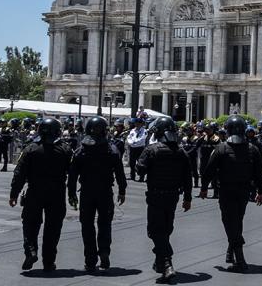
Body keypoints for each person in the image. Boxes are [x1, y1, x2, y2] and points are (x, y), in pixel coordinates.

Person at [200, 115, 262, 272]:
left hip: (227, 191)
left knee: (230, 222)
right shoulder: (252, 149)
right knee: (237, 220)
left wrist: (203, 188)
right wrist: (261, 191)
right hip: (243, 192)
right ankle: (231, 251)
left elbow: (208, 170)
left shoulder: (221, 148)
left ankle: (240, 260)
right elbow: (259, 174)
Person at [9, 118, 72, 272]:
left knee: (30, 223)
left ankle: (31, 251)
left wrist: (14, 194)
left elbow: (19, 173)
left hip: (35, 191)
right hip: (57, 193)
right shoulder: (65, 149)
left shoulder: (31, 149)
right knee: (53, 228)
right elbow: (74, 173)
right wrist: (72, 194)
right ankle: (49, 262)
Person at [135, 117, 193, 281]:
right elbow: (188, 177)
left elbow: (140, 170)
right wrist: (187, 198)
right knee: (166, 229)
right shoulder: (181, 152)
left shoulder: (151, 150)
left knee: (154, 231)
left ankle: (167, 262)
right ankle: (159, 261)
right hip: (173, 196)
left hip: (156, 195)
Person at [67, 116, 127, 272]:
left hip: (87, 192)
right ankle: (104, 251)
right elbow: (120, 172)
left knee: (87, 225)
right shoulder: (111, 149)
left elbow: (72, 175)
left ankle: (90, 259)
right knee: (105, 224)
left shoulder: (81, 150)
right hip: (105, 192)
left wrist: (72, 193)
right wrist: (122, 191)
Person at [198, 123, 221, 198]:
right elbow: (197, 145)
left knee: (214, 177)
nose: (207, 131)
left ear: (213, 130)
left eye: (209, 129)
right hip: (204, 160)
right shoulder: (203, 138)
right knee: (203, 176)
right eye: (206, 129)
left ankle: (216, 193)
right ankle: (203, 191)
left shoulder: (217, 139)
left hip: (212, 160)